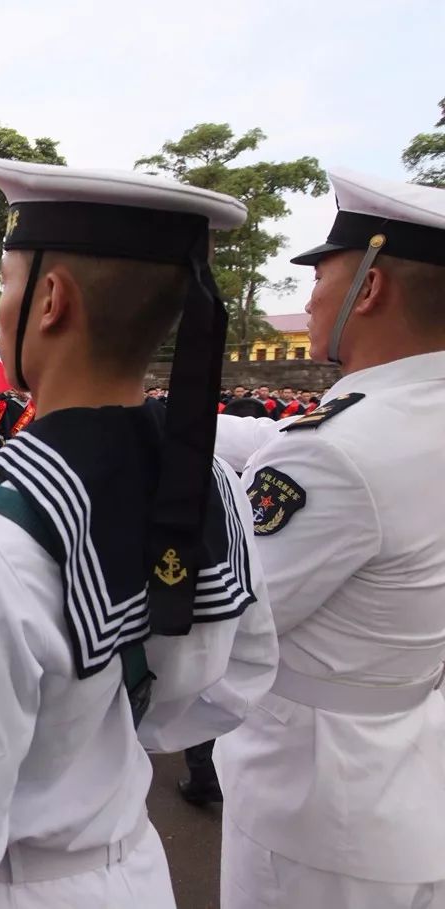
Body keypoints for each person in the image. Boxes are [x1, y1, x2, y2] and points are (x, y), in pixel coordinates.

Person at [0, 159, 278, 909]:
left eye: (5, 287)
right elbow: (236, 682)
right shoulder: (213, 484)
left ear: (51, 299)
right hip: (134, 870)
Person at [211, 170, 445, 908]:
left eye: (322, 274)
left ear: (369, 289)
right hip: (404, 775)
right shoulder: (401, 415)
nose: (310, 296)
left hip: (314, 812)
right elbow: (278, 435)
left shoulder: (338, 450)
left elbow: (227, 610)